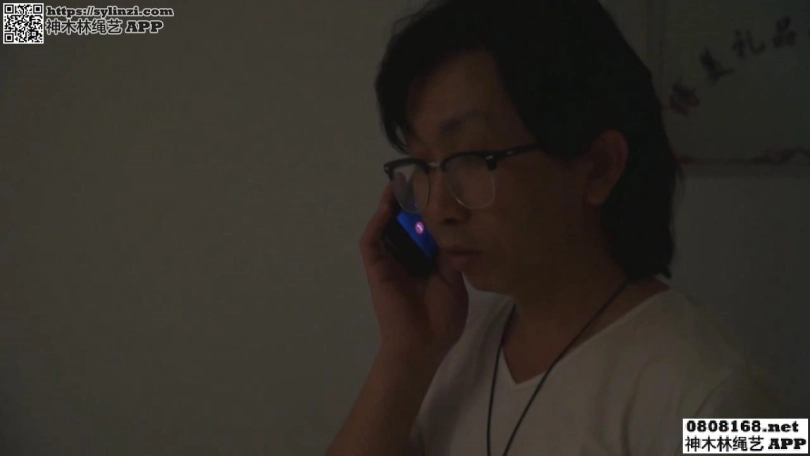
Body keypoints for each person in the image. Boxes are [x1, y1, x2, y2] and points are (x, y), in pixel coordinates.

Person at [327, 0, 784, 455]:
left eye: (472, 158)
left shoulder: (720, 398)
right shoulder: (453, 349)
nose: (439, 207)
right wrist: (405, 355)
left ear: (598, 167)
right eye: (423, 164)